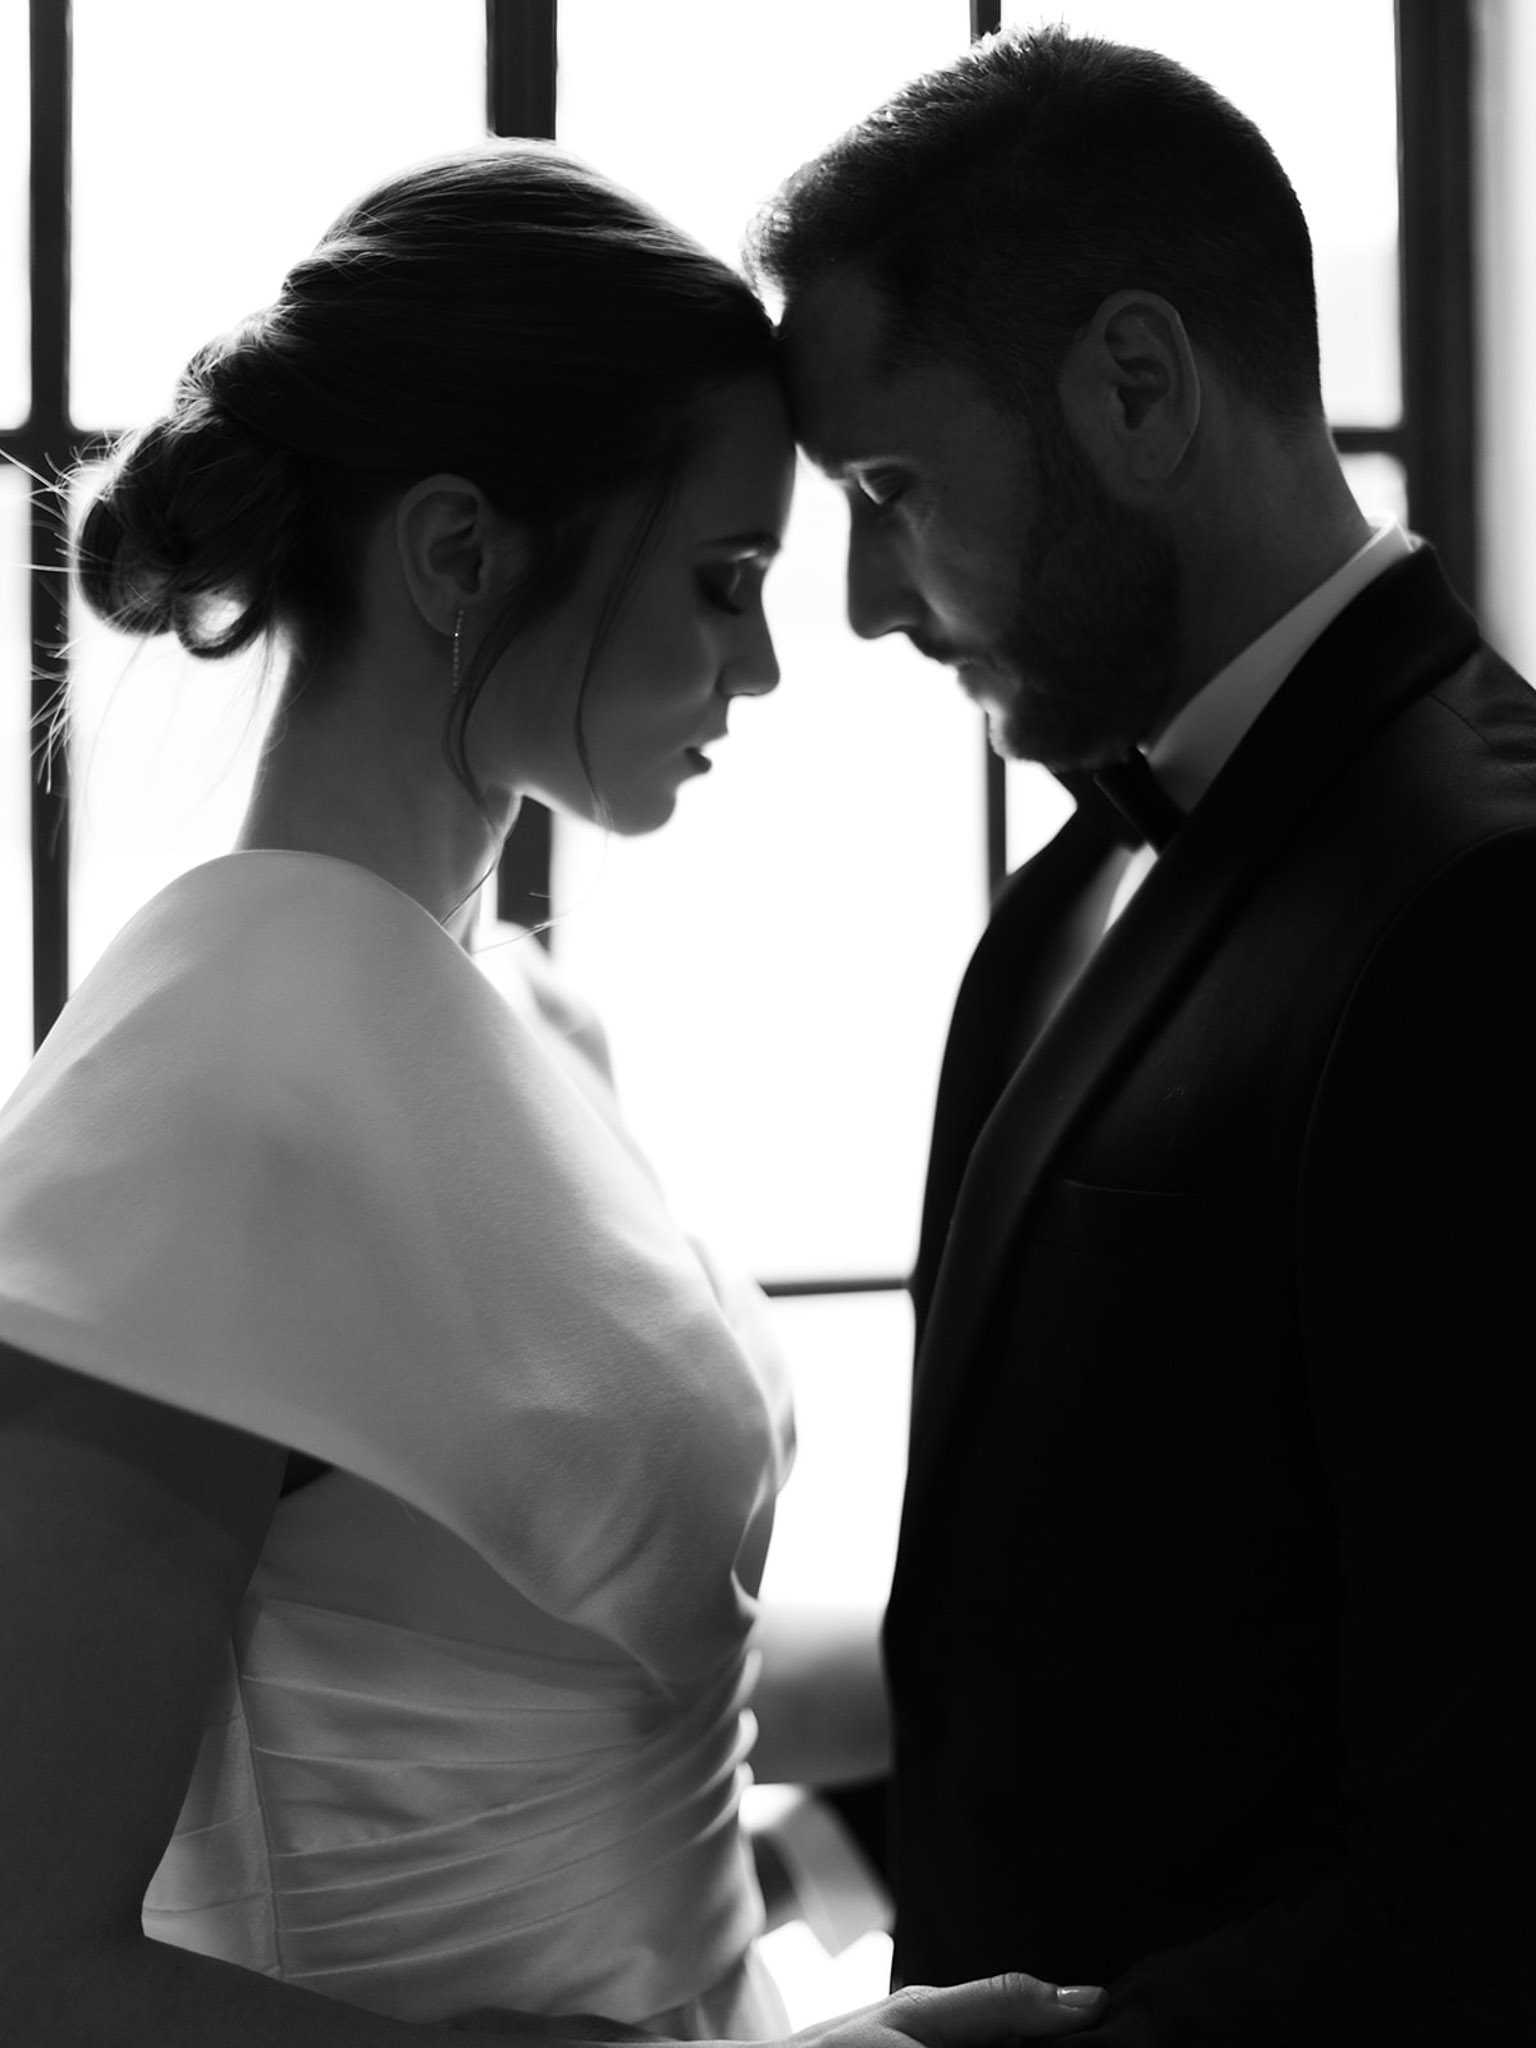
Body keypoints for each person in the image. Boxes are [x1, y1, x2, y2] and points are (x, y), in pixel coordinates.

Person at [0, 141, 1108, 2048]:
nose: (764, 660)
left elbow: (655, 1689)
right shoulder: (206, 1101)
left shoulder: (519, 1021)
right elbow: (32, 1973)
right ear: (456, 555)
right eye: (722, 576)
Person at [749, 27, 1536, 2046]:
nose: (858, 604)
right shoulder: (1054, 903)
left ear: (1136, 383)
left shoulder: (1489, 902)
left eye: (894, 489)